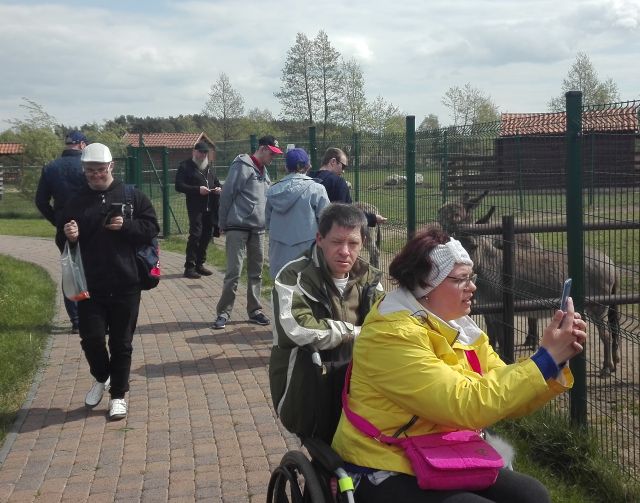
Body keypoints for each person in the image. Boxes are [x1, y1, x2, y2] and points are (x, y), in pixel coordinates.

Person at [331, 226, 588, 502]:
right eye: (461, 279)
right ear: (426, 285)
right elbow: (465, 404)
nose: (473, 287)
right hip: (385, 460)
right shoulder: (391, 335)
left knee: (532, 495)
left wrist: (554, 362)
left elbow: (505, 394)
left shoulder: (461, 327)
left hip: (442, 451)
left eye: (471, 277)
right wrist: (544, 360)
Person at [56, 143, 159, 421]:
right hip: (90, 284)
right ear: (84, 170)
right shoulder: (76, 201)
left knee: (121, 343)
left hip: (127, 282)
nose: (96, 175)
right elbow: (61, 240)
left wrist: (126, 226)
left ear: (111, 166)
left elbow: (152, 228)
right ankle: (102, 376)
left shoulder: (132, 196)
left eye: (100, 169)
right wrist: (69, 236)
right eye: (90, 170)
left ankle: (118, 396)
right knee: (91, 339)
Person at [269, 203, 384, 442]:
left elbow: (387, 321)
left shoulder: (369, 277)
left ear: (363, 242)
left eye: (353, 243)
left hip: (358, 382)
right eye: (336, 242)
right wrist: (357, 332)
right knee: (324, 443)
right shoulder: (294, 276)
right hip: (307, 384)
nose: (345, 251)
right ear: (320, 239)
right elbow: (295, 328)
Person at [212, 135, 282, 330]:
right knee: (234, 272)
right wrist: (222, 222)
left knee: (256, 273)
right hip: (237, 227)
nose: (273, 158)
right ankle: (223, 312)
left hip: (258, 229)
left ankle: (255, 311)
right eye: (272, 153)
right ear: (263, 148)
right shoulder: (242, 165)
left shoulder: (264, 171)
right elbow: (227, 194)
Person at [35, 130, 89, 333]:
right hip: (90, 225)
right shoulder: (88, 165)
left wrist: (57, 221)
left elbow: (41, 201)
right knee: (94, 269)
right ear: (82, 145)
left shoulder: (50, 167)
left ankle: (77, 320)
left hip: (64, 227)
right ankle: (94, 316)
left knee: (71, 271)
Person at [265, 147, 329, 279]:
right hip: (306, 251)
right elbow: (327, 222)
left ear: (286, 167)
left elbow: (267, 221)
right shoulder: (316, 189)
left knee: (280, 285)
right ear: (307, 166)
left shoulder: (273, 191)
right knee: (305, 287)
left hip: (279, 251)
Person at [175, 141, 221, 279]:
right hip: (195, 207)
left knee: (207, 235)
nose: (203, 155)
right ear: (194, 152)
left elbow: (216, 182)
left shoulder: (209, 167)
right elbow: (179, 186)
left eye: (205, 153)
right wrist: (197, 190)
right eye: (201, 152)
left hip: (210, 207)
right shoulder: (185, 166)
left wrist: (218, 188)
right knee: (195, 235)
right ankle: (189, 267)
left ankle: (199, 264)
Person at [309, 147, 386, 227]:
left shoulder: (308, 178)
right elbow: (347, 214)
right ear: (333, 161)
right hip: (328, 231)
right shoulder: (338, 182)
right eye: (343, 166)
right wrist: (373, 218)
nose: (343, 171)